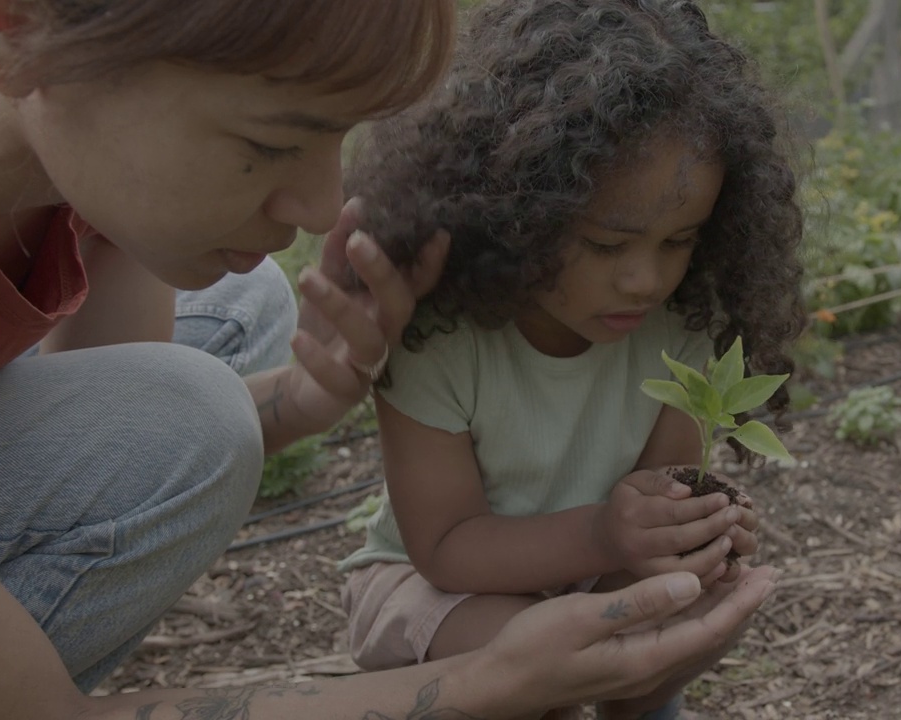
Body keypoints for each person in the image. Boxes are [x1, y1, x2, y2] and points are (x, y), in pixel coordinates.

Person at [0, 1, 780, 718]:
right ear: (15, 32)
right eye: (271, 140)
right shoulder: (461, 348)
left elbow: (114, 445)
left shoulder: (84, 173)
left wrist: (306, 398)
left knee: (253, 305)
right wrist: (489, 681)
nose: (323, 203)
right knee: (193, 401)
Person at [338, 1, 807, 717]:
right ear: (516, 214)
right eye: (607, 245)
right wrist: (601, 532)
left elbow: (656, 496)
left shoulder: (678, 327)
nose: (644, 280)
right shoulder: (438, 340)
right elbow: (445, 546)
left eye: (679, 241)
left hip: (592, 579)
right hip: (441, 590)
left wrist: (690, 533)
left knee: (669, 627)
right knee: (535, 669)